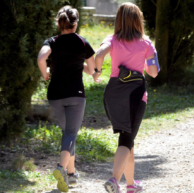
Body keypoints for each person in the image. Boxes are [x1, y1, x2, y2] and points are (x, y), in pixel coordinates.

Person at [93, 2, 159, 193]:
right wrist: (146, 62)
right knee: (126, 139)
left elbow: (99, 55)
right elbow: (153, 72)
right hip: (135, 95)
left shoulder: (112, 39)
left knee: (127, 139)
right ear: (139, 20)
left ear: (119, 20)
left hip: (113, 93)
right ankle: (114, 180)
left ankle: (131, 185)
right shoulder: (146, 44)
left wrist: (98, 71)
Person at [37, 5, 95, 192]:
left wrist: (45, 73)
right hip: (76, 95)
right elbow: (91, 68)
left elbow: (41, 59)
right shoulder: (82, 43)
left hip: (55, 95)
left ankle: (71, 174)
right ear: (75, 23)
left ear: (60, 23)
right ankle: (61, 169)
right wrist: (90, 71)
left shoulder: (52, 41)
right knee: (70, 133)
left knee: (68, 134)